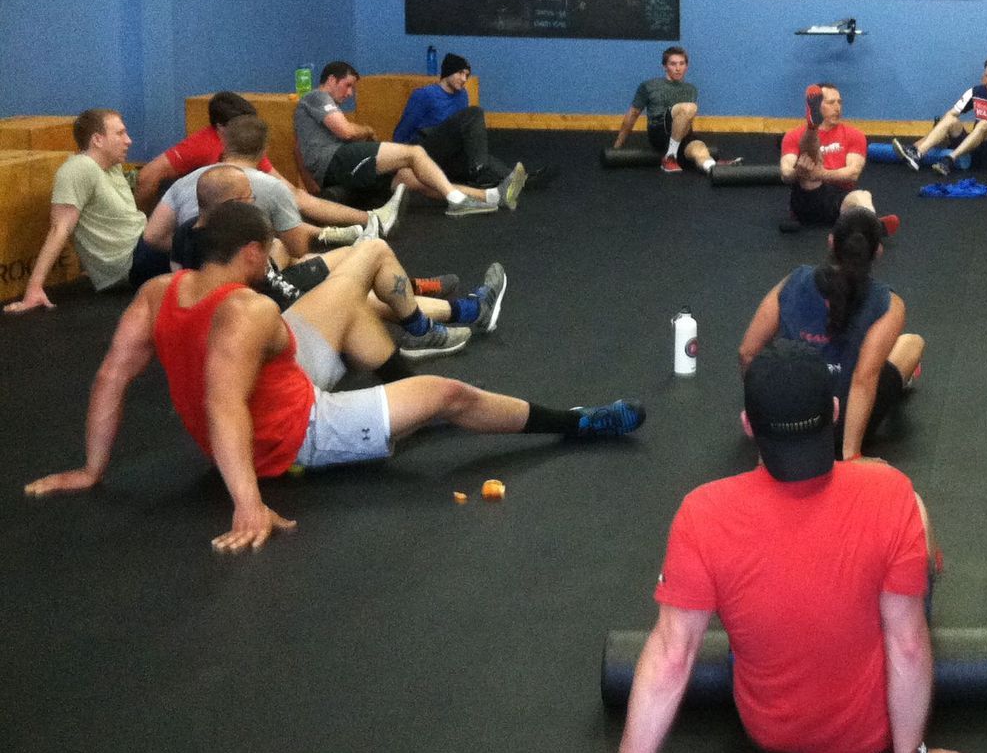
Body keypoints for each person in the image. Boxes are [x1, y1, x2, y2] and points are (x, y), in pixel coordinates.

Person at [530, 339, 987, 753]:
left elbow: (671, 656)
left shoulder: (702, 514)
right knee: (908, 510)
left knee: (723, 612)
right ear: (835, 413)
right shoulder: (890, 493)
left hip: (769, 733)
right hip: (873, 741)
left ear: (748, 426)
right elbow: (908, 644)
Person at [23, 202, 641, 551]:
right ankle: (578, 422)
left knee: (351, 295)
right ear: (250, 255)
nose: (271, 259)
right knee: (451, 394)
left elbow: (111, 377)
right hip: (293, 437)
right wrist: (249, 506)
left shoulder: (159, 292)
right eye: (267, 251)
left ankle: (405, 389)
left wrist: (93, 469)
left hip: (275, 381)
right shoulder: (247, 311)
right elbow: (223, 407)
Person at [170, 171, 502, 353]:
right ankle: (453, 317)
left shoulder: (189, 234)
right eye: (248, 197)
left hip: (279, 287)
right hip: (283, 311)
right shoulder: (227, 243)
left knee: (354, 255)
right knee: (366, 275)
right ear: (230, 202)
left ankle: (422, 296)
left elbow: (186, 289)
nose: (253, 201)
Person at [739, 208, 921, 461]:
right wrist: (851, 456)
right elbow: (863, 380)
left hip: (784, 423)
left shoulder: (794, 281)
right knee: (912, 343)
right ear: (878, 251)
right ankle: (901, 372)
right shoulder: (889, 303)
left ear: (831, 241)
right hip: (837, 429)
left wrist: (764, 418)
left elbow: (747, 353)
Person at [136, 115, 371, 285]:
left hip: (195, 282)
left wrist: (195, 259)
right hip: (250, 284)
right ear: (264, 149)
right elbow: (298, 248)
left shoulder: (186, 187)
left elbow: (153, 237)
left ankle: (339, 236)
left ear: (225, 144)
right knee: (318, 258)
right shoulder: (272, 188)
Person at [137, 92, 399, 235]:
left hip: (228, 216)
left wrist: (365, 218)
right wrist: (141, 224)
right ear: (221, 128)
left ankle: (372, 219)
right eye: (243, 125)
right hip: (197, 219)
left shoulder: (243, 144)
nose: (249, 128)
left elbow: (294, 195)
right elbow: (148, 175)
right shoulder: (200, 145)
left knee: (288, 203)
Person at [296, 61, 520, 214]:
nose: (349, 93)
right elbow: (346, 131)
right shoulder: (317, 96)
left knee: (411, 178)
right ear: (331, 80)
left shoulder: (317, 112)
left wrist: (314, 187)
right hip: (337, 161)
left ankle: (491, 196)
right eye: (347, 86)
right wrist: (367, 130)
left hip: (341, 166)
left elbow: (299, 150)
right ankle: (457, 202)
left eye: (352, 88)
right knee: (414, 153)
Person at [5, 109, 146, 314]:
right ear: (97, 140)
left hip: (143, 245)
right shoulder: (79, 168)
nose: (129, 140)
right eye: (120, 133)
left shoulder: (112, 166)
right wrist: (34, 288)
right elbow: (59, 229)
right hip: (129, 262)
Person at [394, 53, 548, 191]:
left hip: (447, 156)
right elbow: (402, 131)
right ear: (448, 72)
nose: (464, 79)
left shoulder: (462, 95)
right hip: (425, 150)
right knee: (475, 113)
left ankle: (522, 181)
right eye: (460, 73)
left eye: (467, 75)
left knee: (482, 158)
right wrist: (401, 164)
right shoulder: (424, 95)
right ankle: (479, 171)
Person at [898, 56, 987, 176]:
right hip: (973, 146)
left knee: (984, 124)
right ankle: (917, 154)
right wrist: (920, 143)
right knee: (950, 119)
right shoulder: (975, 92)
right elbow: (950, 115)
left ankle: (949, 160)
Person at [778, 83, 893, 234]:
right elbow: (786, 174)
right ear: (816, 106)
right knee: (812, 161)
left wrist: (821, 174)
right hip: (805, 197)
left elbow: (853, 173)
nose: (837, 107)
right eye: (831, 102)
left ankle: (873, 226)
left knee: (863, 195)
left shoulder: (855, 135)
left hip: (838, 202)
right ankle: (813, 128)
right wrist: (799, 172)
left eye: (839, 102)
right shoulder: (793, 135)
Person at [613, 45, 738, 175]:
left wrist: (692, 140)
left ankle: (713, 167)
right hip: (660, 131)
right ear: (665, 66)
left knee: (699, 149)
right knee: (689, 107)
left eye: (681, 64)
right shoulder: (649, 86)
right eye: (673, 64)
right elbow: (633, 114)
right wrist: (617, 147)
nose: (678, 68)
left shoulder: (691, 89)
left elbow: (687, 120)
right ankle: (670, 156)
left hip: (682, 136)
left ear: (686, 66)